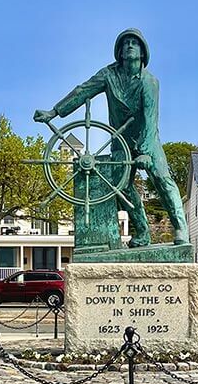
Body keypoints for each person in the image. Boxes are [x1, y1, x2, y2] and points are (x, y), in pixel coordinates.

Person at [34, 28, 188, 247]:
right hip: (120, 139)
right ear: (119, 51)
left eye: (134, 43)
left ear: (143, 52)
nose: (129, 46)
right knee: (120, 186)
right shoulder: (109, 74)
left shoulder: (149, 82)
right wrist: (54, 112)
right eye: (125, 43)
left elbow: (150, 117)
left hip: (148, 139)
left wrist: (145, 152)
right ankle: (143, 233)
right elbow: (82, 91)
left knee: (163, 180)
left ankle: (181, 229)